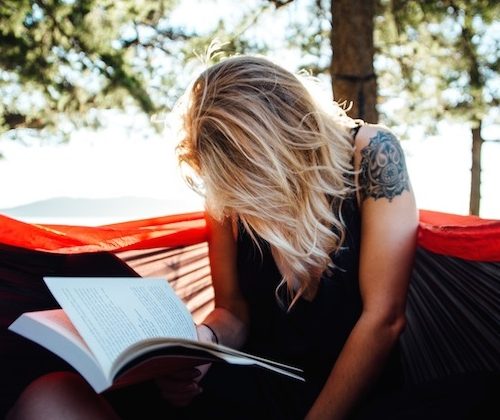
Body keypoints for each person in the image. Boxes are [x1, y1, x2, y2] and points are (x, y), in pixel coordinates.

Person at [7, 55, 418, 420]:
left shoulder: (372, 153)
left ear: (282, 146)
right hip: (259, 385)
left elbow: (383, 318)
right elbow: (233, 313)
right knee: (52, 382)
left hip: (354, 394)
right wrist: (197, 348)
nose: (235, 197)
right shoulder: (227, 187)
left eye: (246, 178)